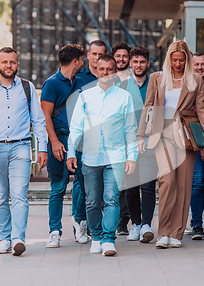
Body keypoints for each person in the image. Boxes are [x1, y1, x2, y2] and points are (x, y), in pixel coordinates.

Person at [137, 40, 204, 249]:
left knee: (184, 184)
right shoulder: (157, 78)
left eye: (181, 60)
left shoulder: (195, 80)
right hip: (163, 134)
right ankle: (163, 232)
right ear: (168, 59)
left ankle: (177, 233)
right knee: (167, 182)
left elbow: (202, 110)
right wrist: (140, 135)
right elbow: (148, 107)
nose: (178, 64)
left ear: (187, 60)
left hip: (187, 135)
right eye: (174, 60)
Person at [0, 47, 48, 256]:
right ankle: (4, 239)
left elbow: (38, 120)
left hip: (21, 147)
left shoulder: (27, 87)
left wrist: (43, 149)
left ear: (17, 64)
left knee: (20, 195)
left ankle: (18, 239)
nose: (8, 66)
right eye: (4, 62)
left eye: (12, 62)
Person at [67, 54, 137, 256]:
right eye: (102, 69)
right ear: (96, 70)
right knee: (92, 200)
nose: (105, 72)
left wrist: (131, 155)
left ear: (115, 72)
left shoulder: (124, 97)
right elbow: (76, 127)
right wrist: (71, 153)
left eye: (110, 69)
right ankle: (95, 237)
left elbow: (130, 129)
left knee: (112, 199)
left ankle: (108, 239)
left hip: (115, 158)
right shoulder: (85, 96)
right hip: (90, 157)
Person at [41, 44, 86, 248]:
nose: (83, 63)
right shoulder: (51, 83)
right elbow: (45, 116)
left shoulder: (79, 82)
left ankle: (78, 224)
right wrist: (55, 142)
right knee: (58, 187)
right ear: (75, 60)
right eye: (82, 59)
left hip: (77, 140)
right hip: (58, 140)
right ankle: (54, 232)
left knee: (81, 184)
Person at [71, 40, 106, 241]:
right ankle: (80, 221)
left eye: (101, 54)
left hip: (104, 140)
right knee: (81, 181)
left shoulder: (110, 77)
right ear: (88, 56)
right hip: (84, 139)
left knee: (98, 183)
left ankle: (94, 223)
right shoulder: (79, 79)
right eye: (94, 54)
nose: (97, 57)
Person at [124, 45, 158, 243]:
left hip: (148, 142)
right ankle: (135, 225)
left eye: (142, 62)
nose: (138, 65)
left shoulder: (155, 82)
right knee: (130, 187)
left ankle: (146, 224)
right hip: (127, 143)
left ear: (148, 63)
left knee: (147, 185)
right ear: (130, 63)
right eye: (135, 61)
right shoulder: (122, 84)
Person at [189, 52, 204, 240]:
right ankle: (197, 223)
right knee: (197, 182)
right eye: (196, 64)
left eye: (202, 64)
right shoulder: (188, 86)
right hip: (195, 139)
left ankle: (196, 217)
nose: (199, 67)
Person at [112, 42, 133, 236]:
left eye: (124, 56)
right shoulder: (107, 79)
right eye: (117, 56)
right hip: (111, 138)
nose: (121, 59)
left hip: (130, 136)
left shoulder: (136, 80)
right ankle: (112, 218)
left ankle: (123, 221)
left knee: (127, 181)